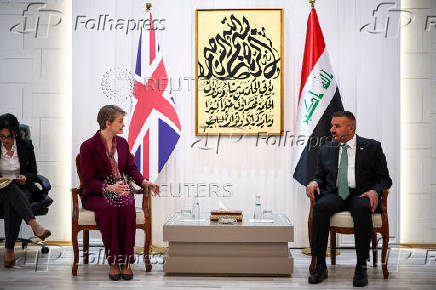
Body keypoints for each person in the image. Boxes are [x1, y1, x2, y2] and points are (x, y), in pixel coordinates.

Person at [306, 111, 392, 287]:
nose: (332, 129)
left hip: (361, 193)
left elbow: (385, 179)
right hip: (335, 193)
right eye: (332, 125)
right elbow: (320, 176)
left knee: (361, 208)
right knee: (320, 207)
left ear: (350, 128)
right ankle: (320, 264)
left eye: (337, 126)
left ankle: (361, 266)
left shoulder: (372, 147)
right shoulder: (326, 149)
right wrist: (314, 182)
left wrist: (375, 191)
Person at [79, 105, 159, 281]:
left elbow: (131, 169)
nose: (124, 125)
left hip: (120, 191)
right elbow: (89, 180)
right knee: (110, 209)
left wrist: (145, 182)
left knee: (127, 205)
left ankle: (127, 262)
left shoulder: (122, 143)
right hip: (97, 194)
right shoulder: (88, 146)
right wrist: (109, 188)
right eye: (120, 121)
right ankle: (114, 261)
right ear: (108, 123)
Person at [0, 113, 51, 268]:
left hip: (22, 189)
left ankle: (9, 250)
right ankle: (34, 224)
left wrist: (25, 178)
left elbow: (33, 173)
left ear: (15, 133)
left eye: (8, 136)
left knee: (12, 199)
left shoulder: (25, 146)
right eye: (1, 136)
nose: (5, 140)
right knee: (9, 188)